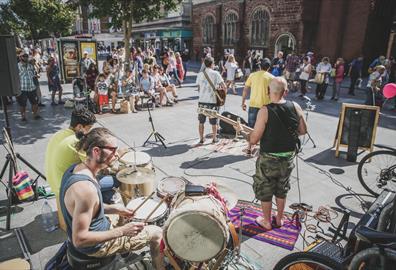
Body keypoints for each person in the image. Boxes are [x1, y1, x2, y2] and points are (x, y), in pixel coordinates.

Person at [59, 127, 164, 269]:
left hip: (96, 228)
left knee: (123, 215)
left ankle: (125, 251)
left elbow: (87, 208)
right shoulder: (86, 190)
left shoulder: (75, 169)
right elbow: (79, 239)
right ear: (96, 151)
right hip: (96, 247)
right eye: (113, 150)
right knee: (157, 233)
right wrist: (122, 231)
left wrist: (113, 209)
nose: (117, 155)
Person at [239, 77, 307, 230]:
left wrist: (244, 134)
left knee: (265, 189)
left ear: (268, 91)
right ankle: (280, 219)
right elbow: (303, 130)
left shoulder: (265, 110)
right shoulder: (295, 106)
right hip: (288, 157)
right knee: (282, 188)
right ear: (286, 92)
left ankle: (267, 221)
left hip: (269, 159)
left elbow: (255, 139)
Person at [241, 58, 274, 155]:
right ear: (269, 67)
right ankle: (262, 148)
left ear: (260, 66)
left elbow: (245, 89)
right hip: (266, 107)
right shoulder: (272, 77)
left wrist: (243, 102)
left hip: (253, 105)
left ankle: (249, 147)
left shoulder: (252, 75)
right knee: (265, 128)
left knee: (251, 127)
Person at [196, 56, 226, 144]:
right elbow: (224, 86)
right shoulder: (216, 73)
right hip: (212, 101)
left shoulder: (200, 74)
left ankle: (201, 139)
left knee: (201, 121)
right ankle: (214, 138)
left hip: (201, 100)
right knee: (214, 122)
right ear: (212, 64)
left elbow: (198, 88)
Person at [17, 52, 41, 121]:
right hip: (22, 88)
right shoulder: (17, 66)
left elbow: (32, 75)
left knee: (35, 103)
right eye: (24, 56)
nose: (26, 57)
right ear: (20, 57)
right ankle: (23, 116)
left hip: (31, 87)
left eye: (26, 56)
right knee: (23, 104)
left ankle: (35, 114)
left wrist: (36, 76)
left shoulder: (30, 66)